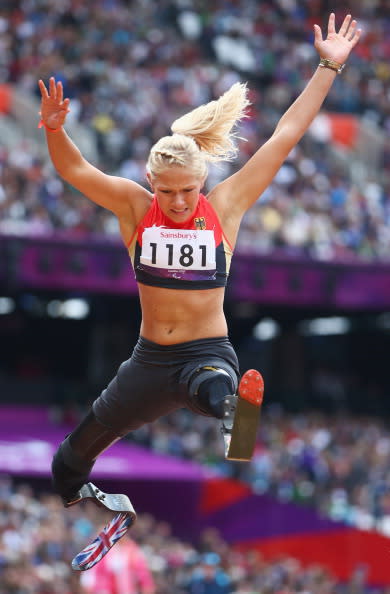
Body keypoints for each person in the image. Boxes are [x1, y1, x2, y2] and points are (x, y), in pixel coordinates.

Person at [38, 13, 361, 508]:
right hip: (146, 361)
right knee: (69, 460)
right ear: (152, 183)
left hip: (205, 352)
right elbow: (75, 168)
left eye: (189, 190)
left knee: (214, 391)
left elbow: (284, 136)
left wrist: (327, 66)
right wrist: (56, 131)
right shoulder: (134, 206)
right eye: (167, 191)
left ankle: (239, 417)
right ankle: (85, 496)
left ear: (203, 184)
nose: (180, 202)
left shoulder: (224, 207)